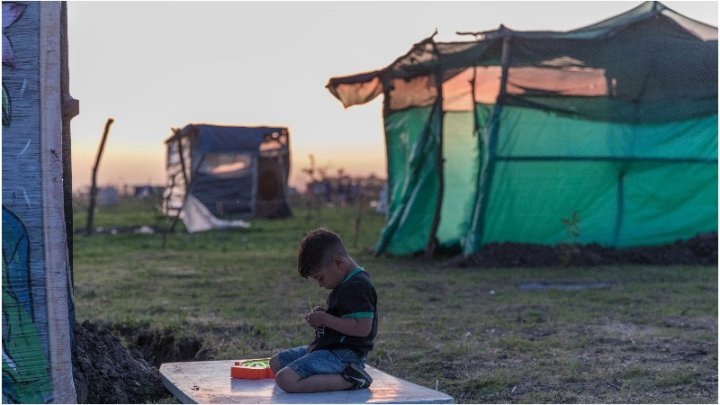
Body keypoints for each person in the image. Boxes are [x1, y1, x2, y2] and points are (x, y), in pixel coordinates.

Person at [270, 228, 378, 393]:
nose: (321, 284)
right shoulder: (344, 283)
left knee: (285, 379)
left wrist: (325, 319)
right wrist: (324, 316)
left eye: (320, 278)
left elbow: (363, 328)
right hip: (328, 348)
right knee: (276, 362)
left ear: (338, 262)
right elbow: (344, 318)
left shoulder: (358, 286)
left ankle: (352, 379)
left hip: (344, 355)